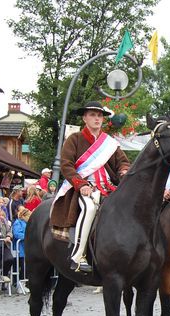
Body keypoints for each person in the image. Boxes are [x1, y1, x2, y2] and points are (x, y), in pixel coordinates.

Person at [51, 101, 130, 273]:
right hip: (84, 187)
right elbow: (66, 165)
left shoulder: (109, 143)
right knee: (89, 207)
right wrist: (81, 185)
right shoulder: (74, 139)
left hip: (108, 187)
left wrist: (124, 171)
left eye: (99, 115)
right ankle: (78, 256)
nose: (97, 119)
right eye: (92, 115)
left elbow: (123, 162)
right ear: (84, 118)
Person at [13, 208, 31, 283]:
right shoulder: (18, 222)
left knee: (26, 267)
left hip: (26, 248)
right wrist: (28, 236)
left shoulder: (27, 223)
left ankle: (24, 282)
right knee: (21, 267)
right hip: (20, 249)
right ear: (23, 216)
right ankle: (19, 283)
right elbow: (17, 234)